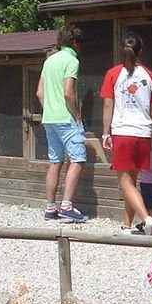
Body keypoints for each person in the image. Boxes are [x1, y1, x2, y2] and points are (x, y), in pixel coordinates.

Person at [99, 34, 152, 235]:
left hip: (123, 131)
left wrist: (106, 133)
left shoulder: (114, 74)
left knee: (124, 182)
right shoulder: (150, 76)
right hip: (143, 132)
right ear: (140, 52)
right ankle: (126, 224)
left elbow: (108, 104)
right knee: (131, 182)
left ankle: (147, 219)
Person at [35, 23, 90, 223]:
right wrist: (76, 115)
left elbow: (39, 92)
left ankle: (50, 207)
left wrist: (49, 108)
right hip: (66, 118)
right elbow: (68, 92)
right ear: (74, 42)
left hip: (49, 118)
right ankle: (67, 205)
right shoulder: (71, 60)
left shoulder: (49, 61)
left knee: (55, 162)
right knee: (77, 160)